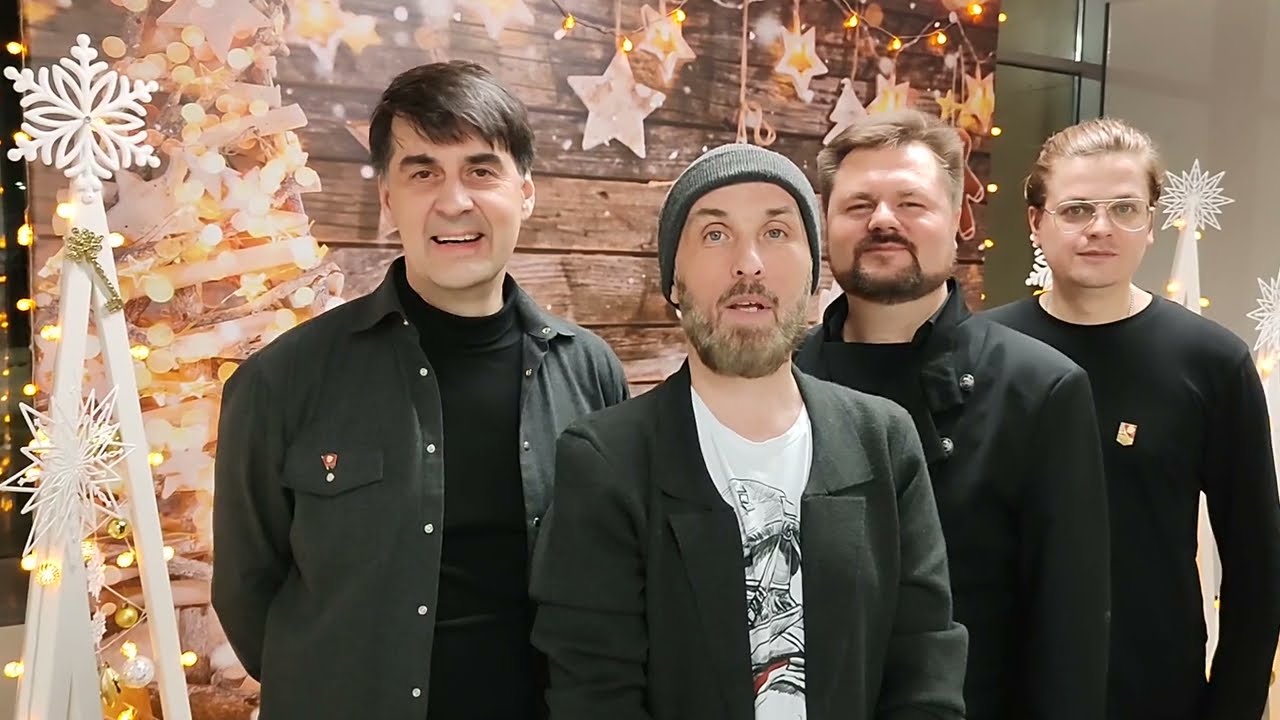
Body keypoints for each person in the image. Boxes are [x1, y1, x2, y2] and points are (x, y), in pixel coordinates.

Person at [211, 61, 629, 720]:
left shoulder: (591, 372)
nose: (454, 201)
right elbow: (247, 594)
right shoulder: (280, 382)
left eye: (481, 170)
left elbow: (611, 577)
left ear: (525, 192)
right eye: (423, 172)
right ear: (388, 199)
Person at [529, 143, 969, 720]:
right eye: (715, 235)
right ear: (674, 282)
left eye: (777, 232)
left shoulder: (884, 441)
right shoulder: (608, 460)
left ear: (813, 275)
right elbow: (593, 692)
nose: (749, 264)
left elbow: (925, 665)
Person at [793, 109, 1110, 720]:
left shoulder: (1041, 390)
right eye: (858, 205)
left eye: (910, 202)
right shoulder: (777, 384)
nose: (883, 220)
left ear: (961, 221)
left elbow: (1069, 632)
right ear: (825, 224)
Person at [985, 117, 1280, 720]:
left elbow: (1258, 565)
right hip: (997, 688)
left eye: (1125, 208)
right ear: (1035, 222)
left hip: (1154, 690)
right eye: (1076, 210)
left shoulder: (1210, 362)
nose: (1101, 228)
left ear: (1150, 223)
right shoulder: (980, 352)